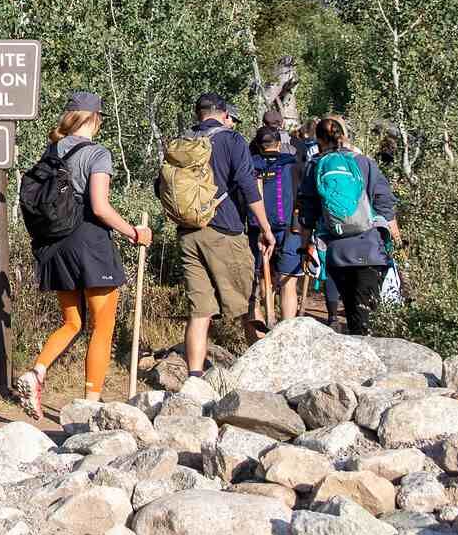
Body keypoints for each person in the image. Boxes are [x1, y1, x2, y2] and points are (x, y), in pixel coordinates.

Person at [15, 93, 152, 419]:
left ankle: (36, 372)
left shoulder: (52, 152)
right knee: (102, 326)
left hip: (55, 246)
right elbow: (100, 207)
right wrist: (134, 233)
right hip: (90, 245)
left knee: (73, 322)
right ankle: (91, 402)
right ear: (94, 119)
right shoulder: (97, 154)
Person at [172, 94, 275, 376]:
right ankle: (265, 372)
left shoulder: (182, 142)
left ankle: (193, 377)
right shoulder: (232, 140)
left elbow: (162, 185)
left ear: (199, 114)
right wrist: (265, 227)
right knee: (248, 303)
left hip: (188, 232)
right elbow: (246, 185)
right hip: (224, 230)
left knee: (200, 310)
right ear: (224, 114)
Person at [299, 116, 401, 336]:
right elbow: (385, 202)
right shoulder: (364, 163)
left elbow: (307, 212)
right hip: (371, 247)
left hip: (336, 251)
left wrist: (305, 245)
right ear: (344, 136)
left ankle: (358, 347)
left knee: (352, 309)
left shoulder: (315, 166)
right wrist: (395, 239)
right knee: (368, 312)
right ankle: (368, 355)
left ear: (318, 139)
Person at [248, 113, 306, 325]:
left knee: (264, 277)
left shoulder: (250, 166)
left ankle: (268, 316)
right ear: (279, 144)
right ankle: (287, 327)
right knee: (287, 281)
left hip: (258, 229)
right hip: (289, 228)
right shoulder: (293, 164)